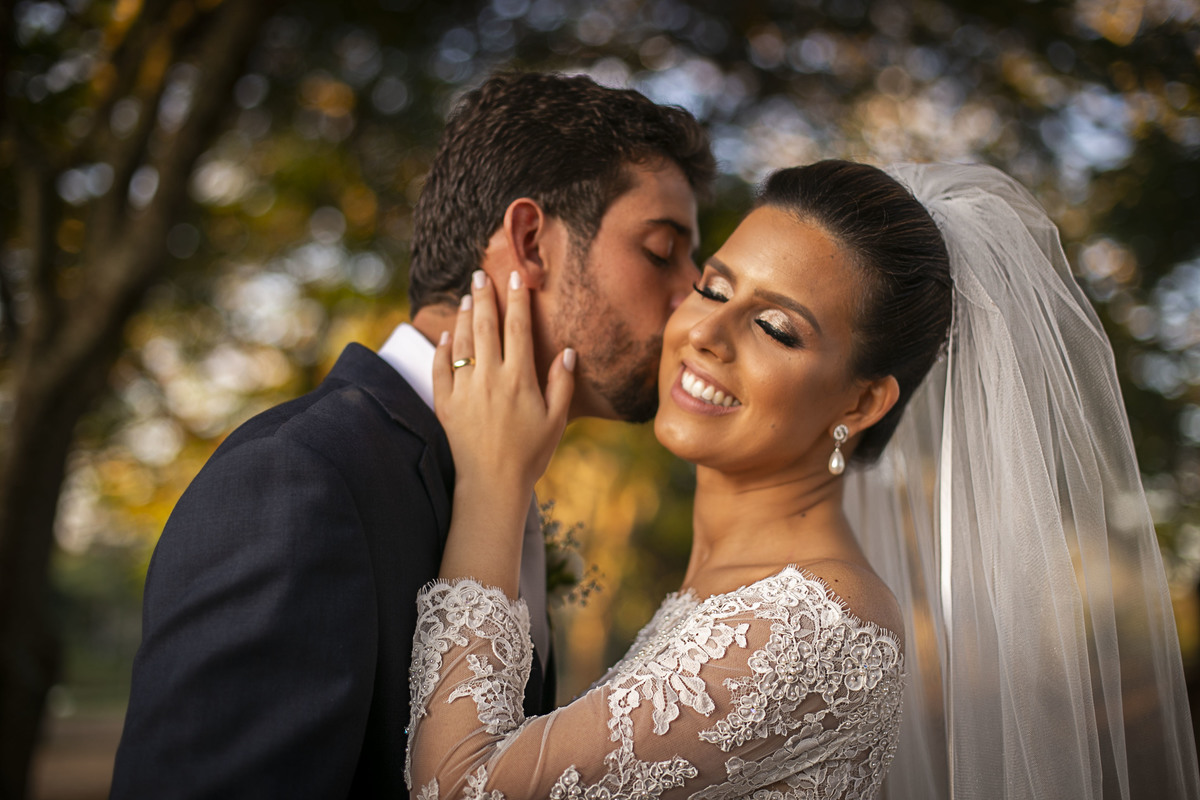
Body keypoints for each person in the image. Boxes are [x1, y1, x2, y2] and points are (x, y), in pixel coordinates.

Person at [405, 161, 1200, 799]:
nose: (707, 332)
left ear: (862, 399)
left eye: (776, 328)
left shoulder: (813, 627)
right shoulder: (734, 584)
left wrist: (494, 479)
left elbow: (460, 788)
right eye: (714, 287)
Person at [110, 71, 714, 798]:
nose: (691, 300)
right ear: (529, 242)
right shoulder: (298, 480)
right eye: (660, 250)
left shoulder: (496, 476)